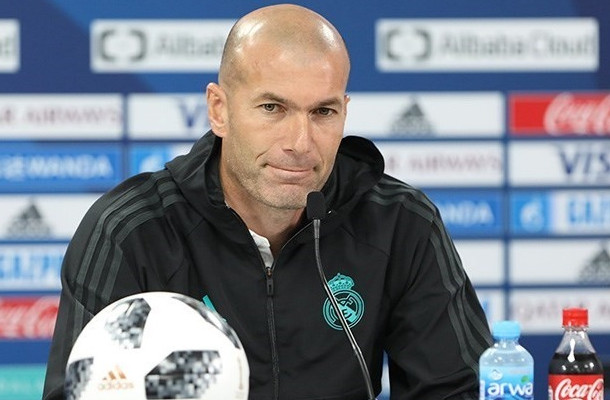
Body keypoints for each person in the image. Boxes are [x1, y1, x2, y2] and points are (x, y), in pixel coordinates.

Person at [43, 4, 492, 400]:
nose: (300, 143)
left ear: (344, 111)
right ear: (219, 110)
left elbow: (457, 388)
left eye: (323, 112)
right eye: (272, 108)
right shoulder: (131, 231)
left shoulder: (399, 222)